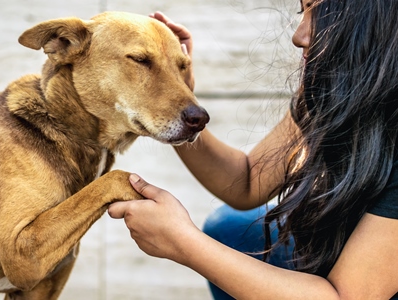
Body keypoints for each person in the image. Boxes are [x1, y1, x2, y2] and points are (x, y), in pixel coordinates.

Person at [108, 0, 398, 298]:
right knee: (232, 229)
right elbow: (247, 182)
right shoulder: (337, 89)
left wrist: (183, 242)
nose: (298, 35)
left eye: (321, 11)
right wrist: (178, 108)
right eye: (303, 11)